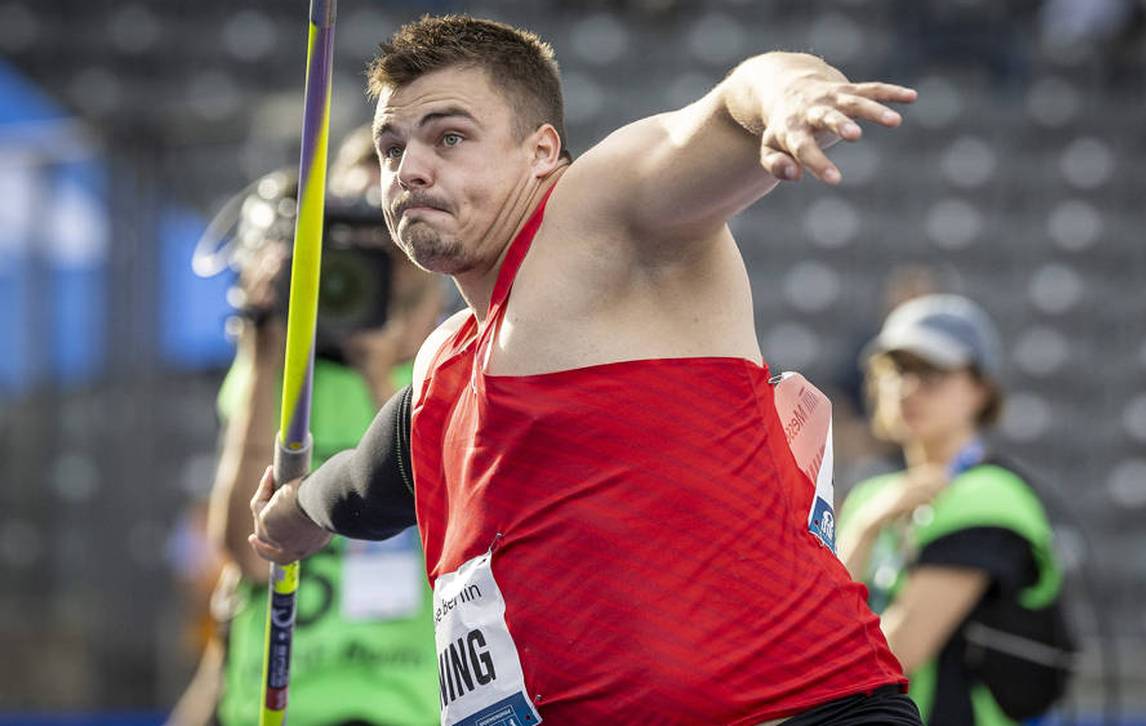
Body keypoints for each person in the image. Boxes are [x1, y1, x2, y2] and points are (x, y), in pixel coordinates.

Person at [250, 14, 924, 724]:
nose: (409, 168)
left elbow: (737, 102)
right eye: (392, 148)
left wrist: (793, 96)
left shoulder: (595, 215)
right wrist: (290, 518)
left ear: (542, 150)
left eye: (449, 137)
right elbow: (362, 485)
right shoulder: (447, 368)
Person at [172, 128, 446, 726]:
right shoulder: (279, 379)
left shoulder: (445, 379)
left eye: (387, 239)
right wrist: (266, 349)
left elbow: (452, 544)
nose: (370, 258)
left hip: (404, 707)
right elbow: (245, 553)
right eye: (344, 237)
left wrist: (381, 374)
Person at [835, 295, 1072, 726]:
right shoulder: (872, 497)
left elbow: (887, 660)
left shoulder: (991, 497)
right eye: (897, 370)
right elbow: (820, 635)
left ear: (981, 388)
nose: (908, 387)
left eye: (933, 371)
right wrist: (866, 528)